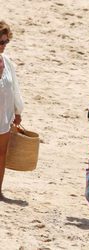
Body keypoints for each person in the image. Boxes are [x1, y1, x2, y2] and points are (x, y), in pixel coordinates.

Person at [0, 21, 24, 199]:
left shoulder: (7, 62)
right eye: (1, 42)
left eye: (6, 42)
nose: (4, 46)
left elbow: (14, 88)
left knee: (1, 154)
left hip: (3, 117)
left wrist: (17, 112)